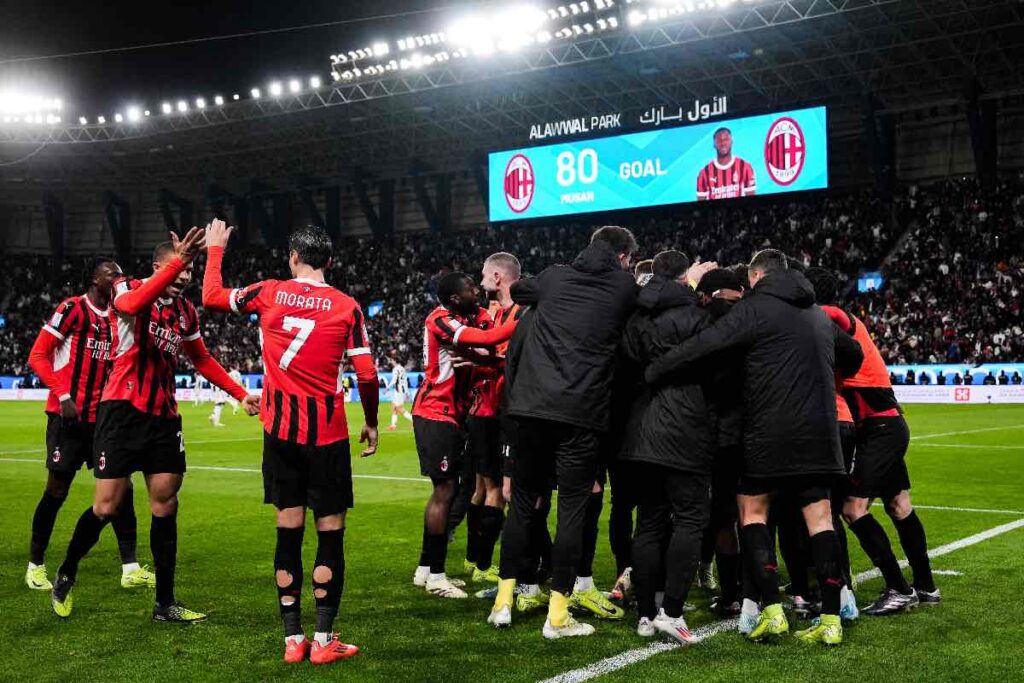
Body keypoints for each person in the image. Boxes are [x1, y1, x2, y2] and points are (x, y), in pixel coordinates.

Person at [645, 249, 860, 647]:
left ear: (756, 277)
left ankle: (773, 612)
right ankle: (831, 620)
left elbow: (705, 344)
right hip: (820, 433)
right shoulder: (815, 313)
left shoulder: (754, 308)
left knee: (752, 511)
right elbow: (854, 354)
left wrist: (656, 369)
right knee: (820, 519)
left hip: (769, 431)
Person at [50, 228, 258, 625]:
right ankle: (67, 571)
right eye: (178, 267)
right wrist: (178, 262)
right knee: (107, 506)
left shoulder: (185, 312)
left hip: (164, 417)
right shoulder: (128, 287)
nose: (185, 276)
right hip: (121, 412)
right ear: (157, 265)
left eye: (190, 270)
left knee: (165, 503)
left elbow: (201, 358)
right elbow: (131, 305)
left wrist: (240, 393)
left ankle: (165, 603)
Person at [203, 220, 379, 665]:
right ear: (329, 262)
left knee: (288, 530)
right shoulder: (347, 306)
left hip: (279, 433)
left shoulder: (268, 292)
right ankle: (323, 640)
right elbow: (366, 374)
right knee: (330, 533)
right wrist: (372, 422)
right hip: (327, 435)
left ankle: (292, 640)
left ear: (293, 257)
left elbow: (211, 296)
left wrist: (215, 249)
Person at [488, 226, 638, 639]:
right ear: (623, 257)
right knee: (572, 508)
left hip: (529, 410)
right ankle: (557, 615)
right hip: (580, 414)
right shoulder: (624, 287)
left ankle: (503, 603)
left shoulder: (554, 277)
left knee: (522, 504)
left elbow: (521, 290)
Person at [806, 268, 940, 616]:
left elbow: (826, 317)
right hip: (886, 425)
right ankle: (926, 586)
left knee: (852, 509)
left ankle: (899, 588)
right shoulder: (846, 322)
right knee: (899, 504)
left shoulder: (830, 314)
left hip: (879, 429)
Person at [25, 258, 155, 592]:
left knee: (122, 488)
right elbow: (37, 356)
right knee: (57, 490)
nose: (118, 277)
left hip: (105, 420)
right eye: (112, 273)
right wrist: (63, 395)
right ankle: (35, 565)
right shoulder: (72, 309)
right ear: (94, 279)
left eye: (120, 273)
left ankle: (130, 567)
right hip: (68, 417)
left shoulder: (118, 316)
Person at [619, 250, 716, 643]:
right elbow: (713, 370)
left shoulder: (636, 318)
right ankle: (672, 611)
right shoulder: (698, 315)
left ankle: (645, 614)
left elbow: (628, 365)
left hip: (641, 430)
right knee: (690, 519)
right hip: (685, 428)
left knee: (649, 521)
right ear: (684, 277)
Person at [411, 272, 492, 600]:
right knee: (444, 492)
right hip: (435, 413)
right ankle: (436, 576)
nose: (477, 290)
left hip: (449, 415)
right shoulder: (440, 319)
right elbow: (488, 338)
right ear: (456, 298)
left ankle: (426, 569)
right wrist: (523, 324)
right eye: (471, 288)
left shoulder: (463, 316)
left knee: (449, 490)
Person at [694, 267, 747, 620]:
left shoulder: (703, 324)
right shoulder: (754, 320)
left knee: (722, 516)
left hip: (716, 434)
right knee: (756, 516)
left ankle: (730, 595)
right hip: (756, 432)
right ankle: (756, 593)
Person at [696, 127, 756, 201]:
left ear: (732, 141)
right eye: (719, 140)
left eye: (726, 139)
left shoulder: (745, 167)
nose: (723, 143)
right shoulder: (704, 173)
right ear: (714, 144)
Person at [386, 359, 413, 431]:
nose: (391, 361)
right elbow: (405, 381)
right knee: (394, 407)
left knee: (399, 408)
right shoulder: (402, 369)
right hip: (401, 390)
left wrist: (387, 388)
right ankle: (393, 425)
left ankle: (414, 421)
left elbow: (394, 380)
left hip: (399, 390)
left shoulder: (395, 369)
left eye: (392, 360)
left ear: (395, 361)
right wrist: (407, 392)